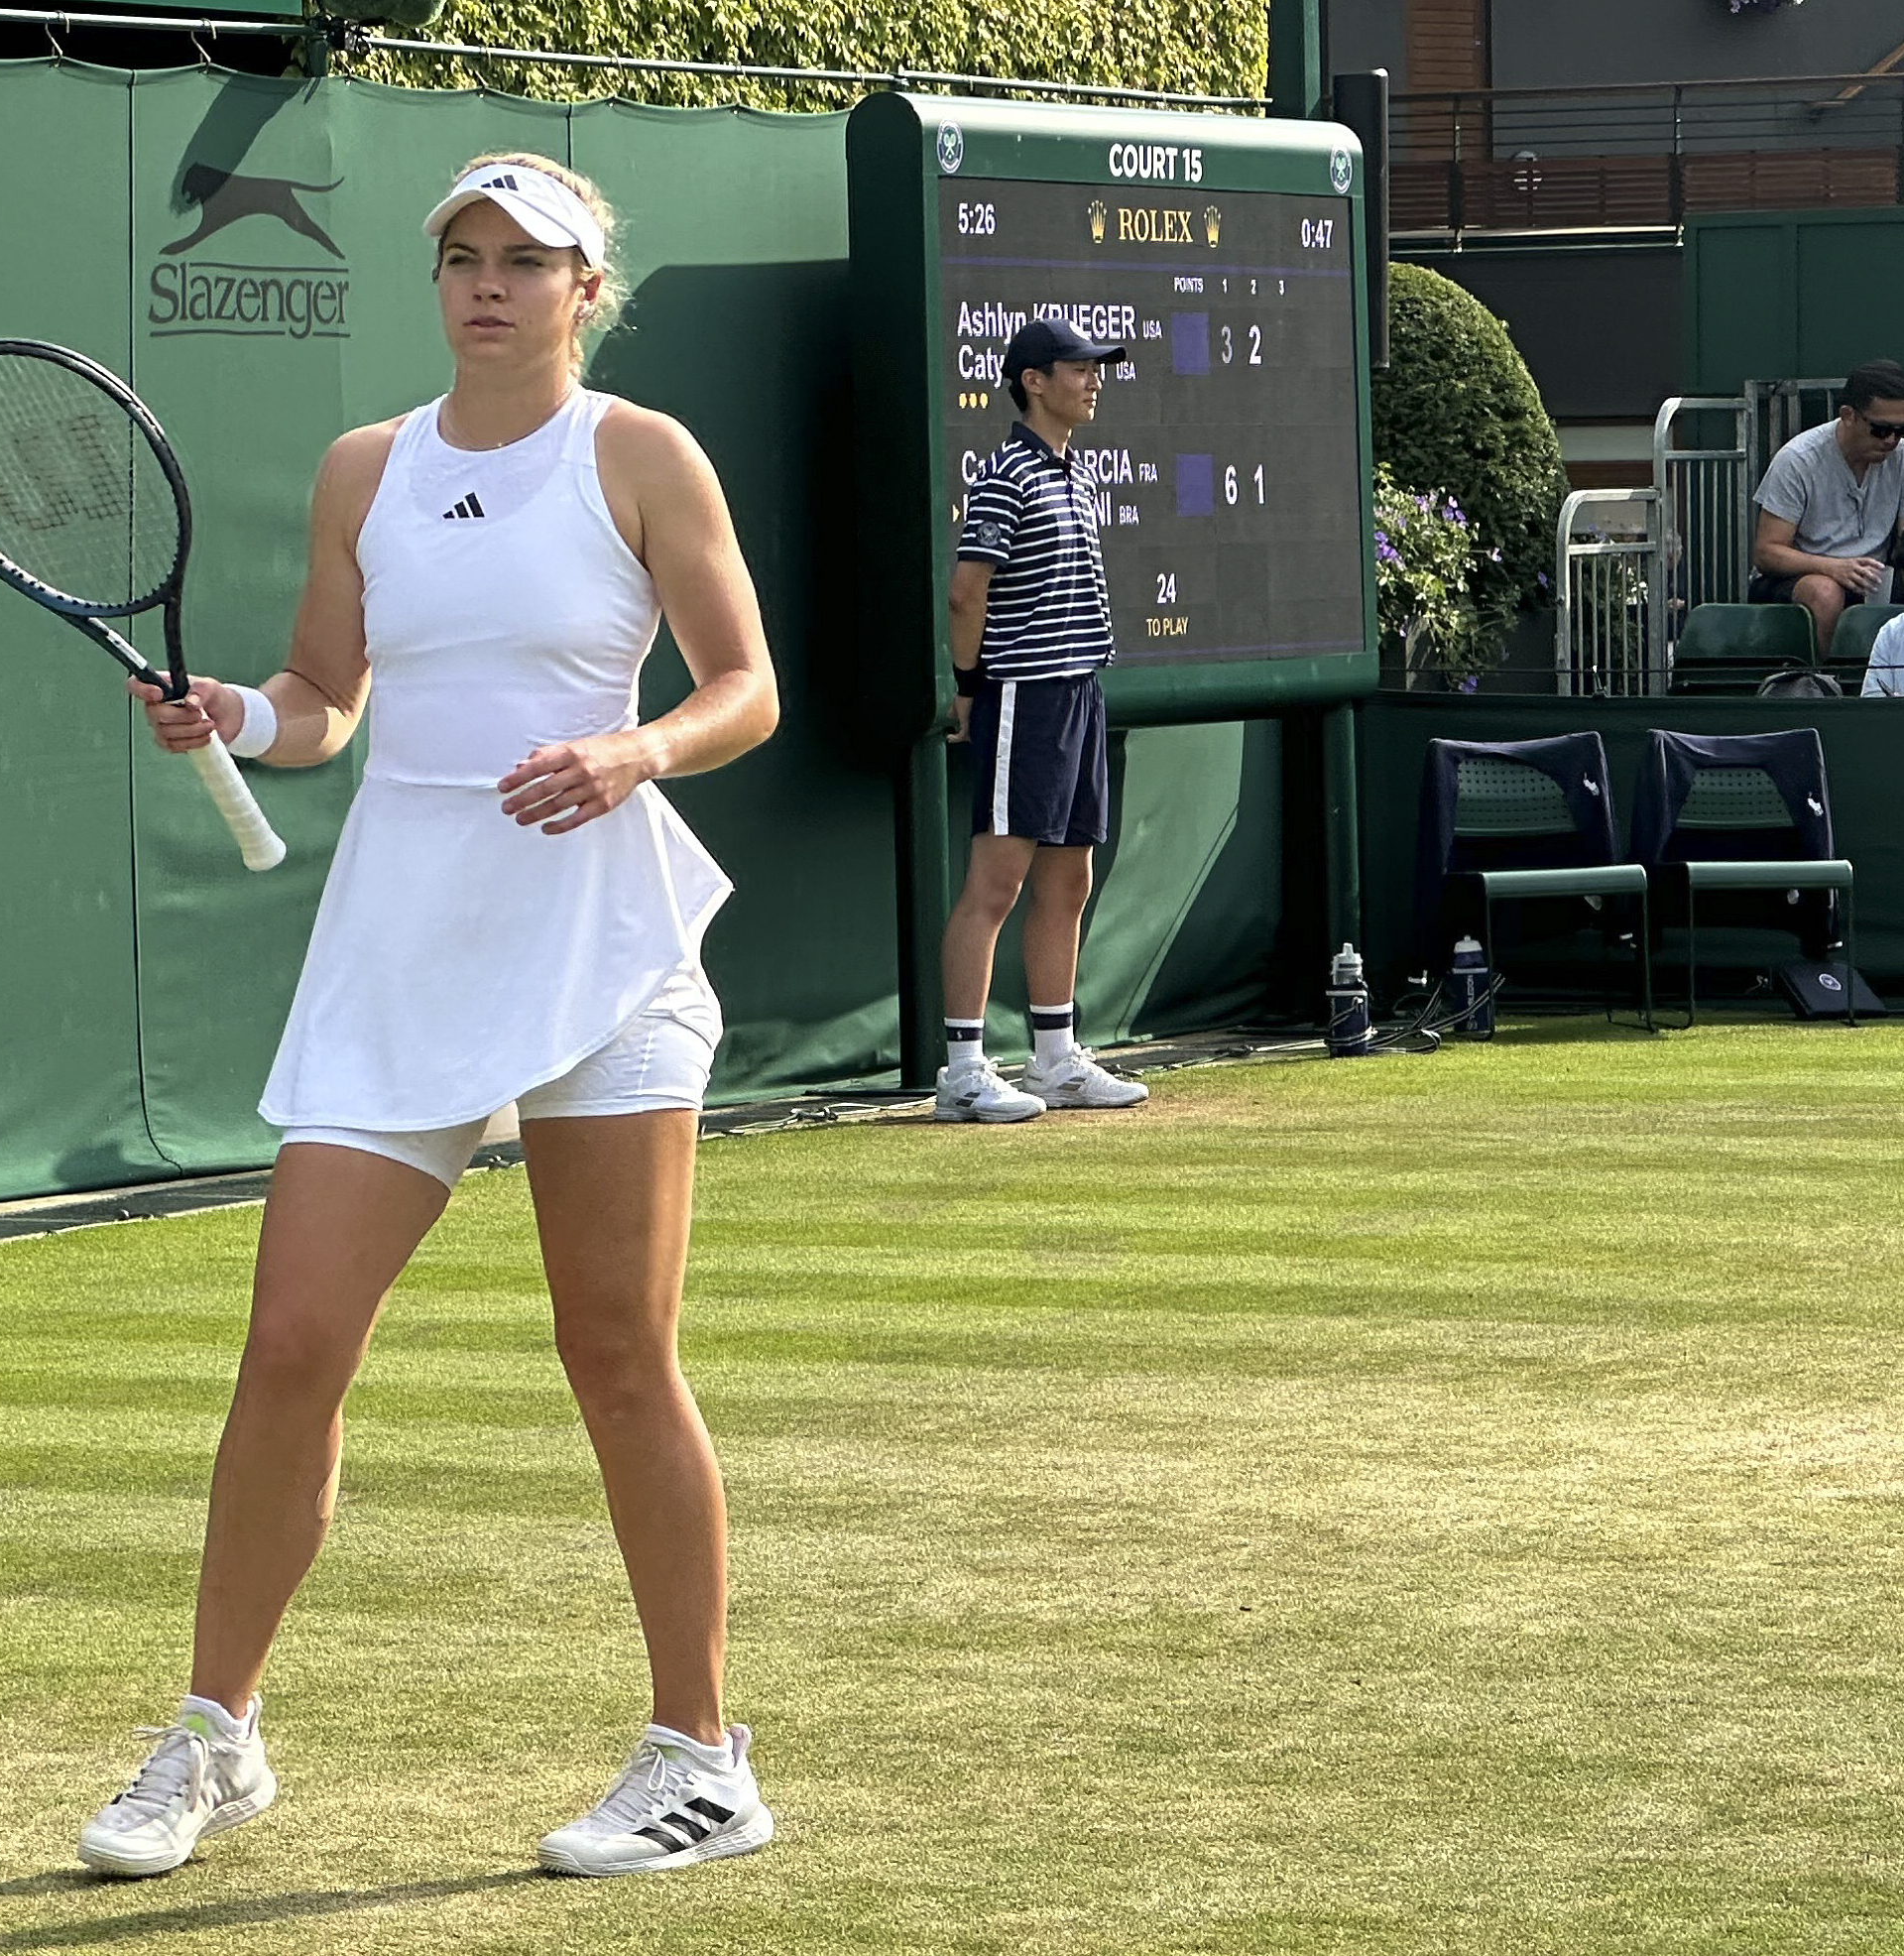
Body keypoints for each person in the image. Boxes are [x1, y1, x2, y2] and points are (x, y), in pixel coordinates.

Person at [76, 154, 780, 1881]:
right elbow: (325, 698)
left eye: (522, 262)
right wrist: (234, 713)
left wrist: (635, 746)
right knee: (290, 1346)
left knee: (612, 1351)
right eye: (460, 258)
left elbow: (745, 686)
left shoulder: (638, 455)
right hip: (400, 942)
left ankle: (701, 1754)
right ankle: (211, 1738)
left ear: (579, 291)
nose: (485, 285)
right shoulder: (364, 471)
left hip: (599, 948)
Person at [931, 318, 1151, 1125]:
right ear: (1033, 381)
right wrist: (968, 687)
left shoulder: (1076, 471)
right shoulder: (1006, 474)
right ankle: (960, 1072)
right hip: (1020, 694)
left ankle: (1055, 1059)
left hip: (1079, 692)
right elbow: (966, 592)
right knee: (996, 882)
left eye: (1097, 370)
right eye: (1078, 369)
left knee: (1070, 878)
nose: (1094, 382)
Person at [1748, 358, 1904, 651]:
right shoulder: (1798, 459)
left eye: (1901, 430)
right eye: (1882, 430)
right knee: (1824, 591)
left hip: (1872, 577)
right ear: (1848, 416)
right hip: (1799, 576)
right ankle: (1825, 685)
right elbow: (1767, 552)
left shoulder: (1901, 456)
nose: (1892, 441)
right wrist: (1833, 567)